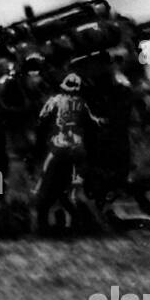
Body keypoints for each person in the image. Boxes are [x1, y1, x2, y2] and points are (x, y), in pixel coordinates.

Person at [34, 72, 96, 235]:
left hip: (58, 146)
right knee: (71, 190)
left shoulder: (54, 101)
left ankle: (43, 224)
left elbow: (41, 119)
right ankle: (77, 222)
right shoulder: (81, 103)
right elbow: (92, 122)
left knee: (45, 183)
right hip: (76, 148)